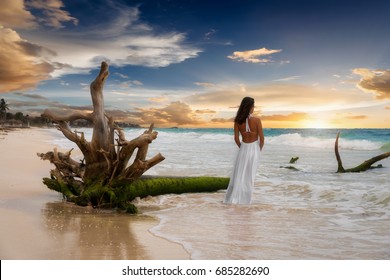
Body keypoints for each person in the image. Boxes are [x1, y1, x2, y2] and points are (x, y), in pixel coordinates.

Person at [224, 97, 264, 204]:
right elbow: (262, 139)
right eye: (253, 106)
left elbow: (236, 139)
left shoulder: (237, 121)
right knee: (250, 176)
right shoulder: (257, 121)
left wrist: (242, 148)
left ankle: (235, 198)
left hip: (243, 148)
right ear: (250, 107)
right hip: (254, 149)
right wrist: (258, 150)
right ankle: (246, 201)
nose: (254, 108)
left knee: (239, 174)